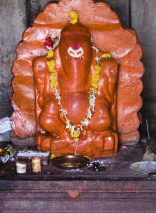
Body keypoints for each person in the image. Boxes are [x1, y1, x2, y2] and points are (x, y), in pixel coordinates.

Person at [33, 12, 119, 157]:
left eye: (82, 40)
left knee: (102, 117)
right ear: (58, 49)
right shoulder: (44, 65)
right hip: (59, 127)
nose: (74, 46)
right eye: (68, 40)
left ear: (92, 49)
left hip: (92, 126)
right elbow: (38, 107)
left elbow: (112, 107)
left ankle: (71, 143)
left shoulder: (105, 66)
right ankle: (69, 141)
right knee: (48, 115)